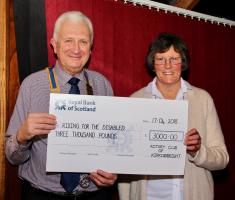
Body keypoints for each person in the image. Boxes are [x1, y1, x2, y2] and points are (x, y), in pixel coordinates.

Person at [5, 11, 117, 200]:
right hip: (42, 195)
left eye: (83, 41)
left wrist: (114, 171)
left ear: (91, 48)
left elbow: (114, 144)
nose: (76, 49)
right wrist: (22, 135)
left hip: (95, 195)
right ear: (54, 45)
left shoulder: (102, 84)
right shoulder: (32, 85)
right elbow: (12, 157)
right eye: (68, 40)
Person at [118, 32, 229, 200]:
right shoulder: (136, 100)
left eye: (174, 58)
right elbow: (124, 162)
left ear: (182, 63)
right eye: (161, 59)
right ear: (153, 64)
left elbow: (222, 159)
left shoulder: (202, 99)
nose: (168, 66)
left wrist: (198, 151)